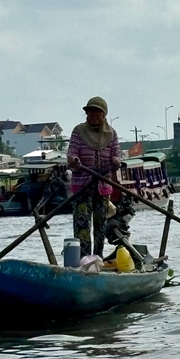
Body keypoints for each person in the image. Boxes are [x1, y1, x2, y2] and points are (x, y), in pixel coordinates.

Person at [67, 96, 121, 257]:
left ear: (103, 115)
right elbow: (72, 152)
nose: (93, 115)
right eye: (90, 112)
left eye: (97, 112)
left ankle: (98, 257)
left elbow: (117, 154)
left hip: (103, 186)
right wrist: (74, 160)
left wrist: (116, 160)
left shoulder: (111, 134)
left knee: (100, 226)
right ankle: (84, 259)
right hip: (82, 186)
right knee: (82, 225)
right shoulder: (79, 131)